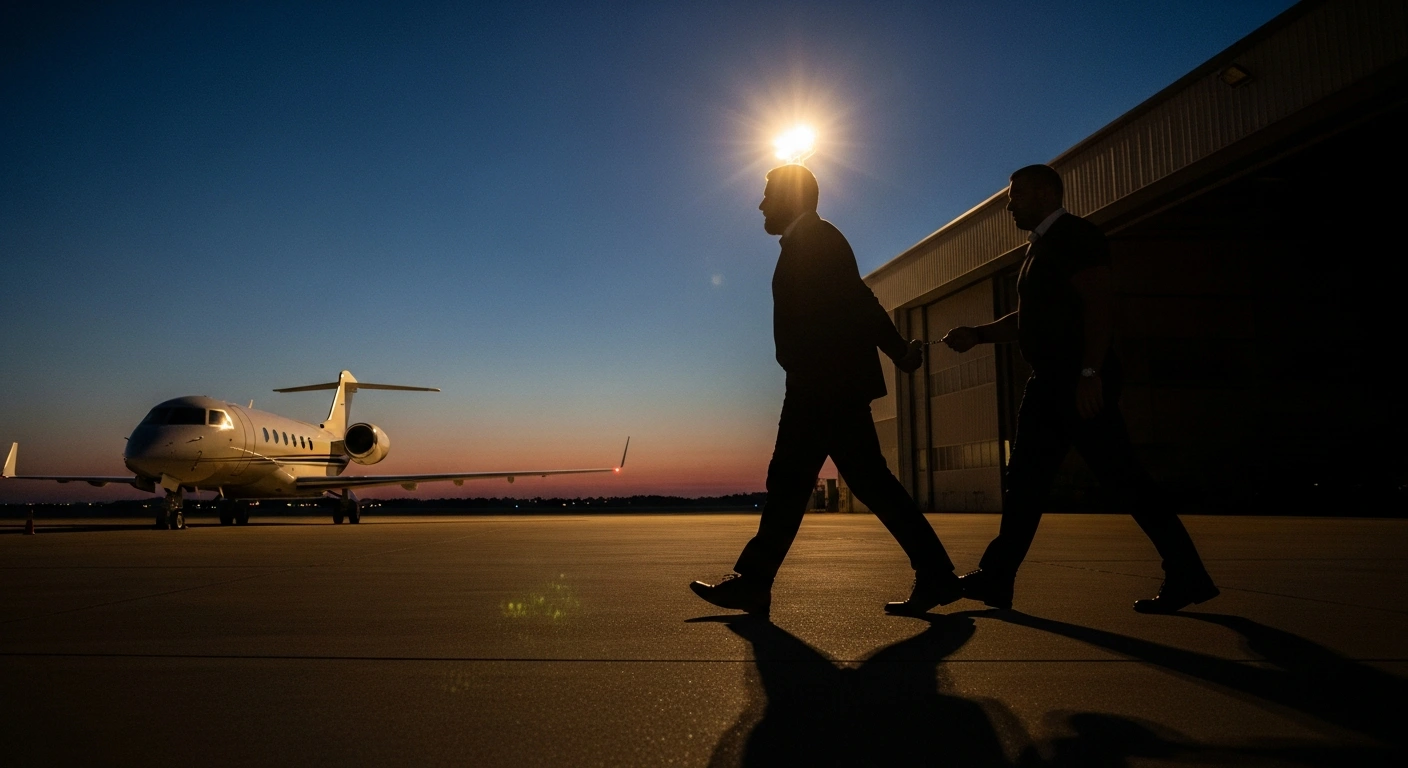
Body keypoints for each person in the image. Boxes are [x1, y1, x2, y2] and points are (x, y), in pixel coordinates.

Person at [943, 165, 1218, 614]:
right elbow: (1028, 320)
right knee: (1025, 484)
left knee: (1124, 479)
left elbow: (1098, 303)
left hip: (1076, 380)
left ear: (1048, 192)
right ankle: (997, 578)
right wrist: (978, 333)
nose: (1009, 205)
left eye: (1017, 195)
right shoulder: (1039, 249)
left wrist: (1090, 373)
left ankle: (1187, 573)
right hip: (1049, 382)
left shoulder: (1076, 237)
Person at [690, 164, 962, 616]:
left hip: (824, 388)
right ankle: (936, 573)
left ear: (792, 198)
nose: (760, 204)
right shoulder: (808, 240)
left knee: (798, 484)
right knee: (834, 484)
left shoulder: (818, 240)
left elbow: (861, 303)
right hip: (820, 385)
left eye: (768, 194)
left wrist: (898, 351)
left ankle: (755, 582)